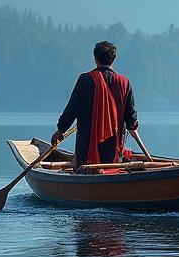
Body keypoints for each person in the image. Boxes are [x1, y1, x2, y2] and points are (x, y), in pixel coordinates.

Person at [52, 41, 139, 170]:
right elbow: (131, 119)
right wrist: (132, 126)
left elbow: (72, 109)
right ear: (113, 59)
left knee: (84, 167)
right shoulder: (125, 82)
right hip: (114, 148)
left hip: (87, 147)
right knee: (113, 167)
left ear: (95, 59)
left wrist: (60, 130)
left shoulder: (85, 80)